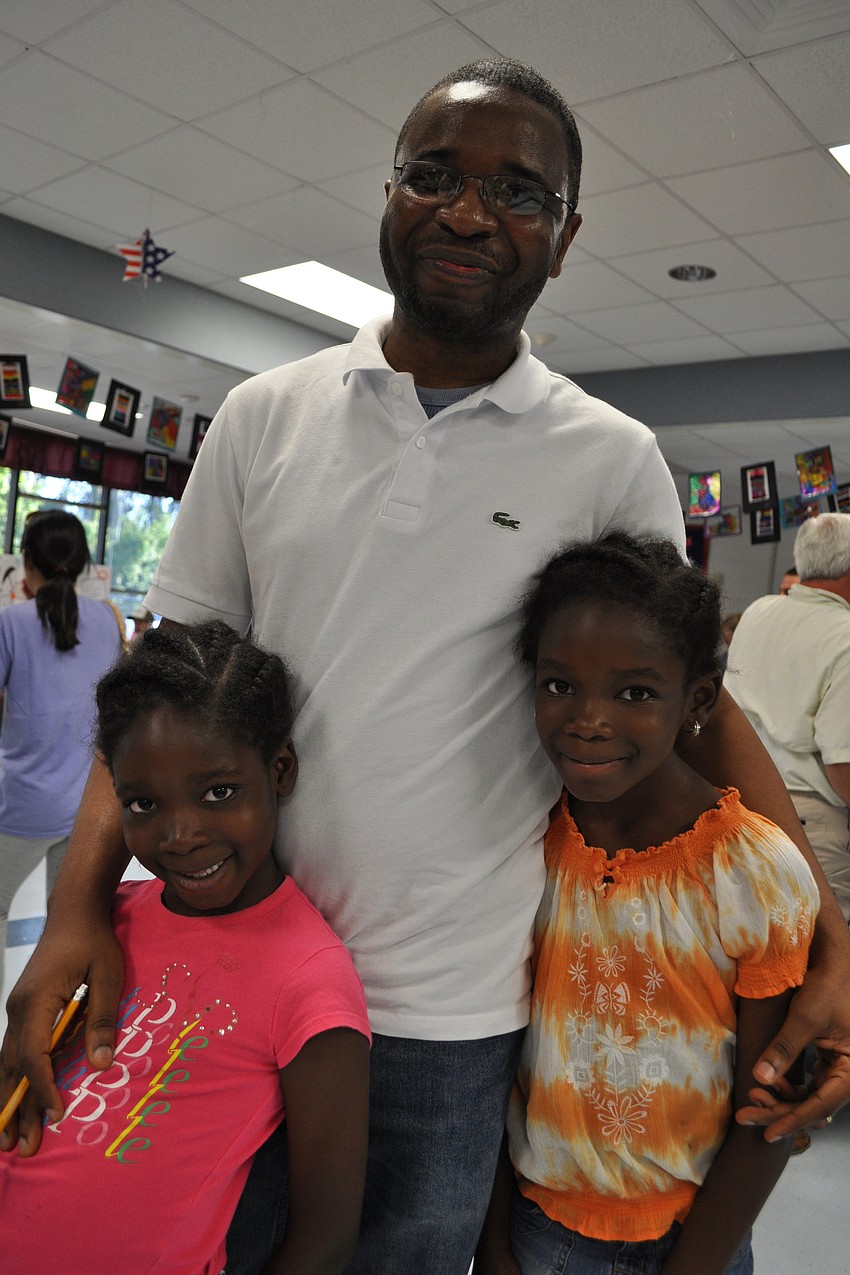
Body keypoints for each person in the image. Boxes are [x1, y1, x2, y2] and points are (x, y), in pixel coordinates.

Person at [2, 57, 849, 1275]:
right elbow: (158, 694)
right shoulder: (263, 416)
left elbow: (693, 716)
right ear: (389, 193)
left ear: (566, 238)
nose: (467, 213)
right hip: (224, 964)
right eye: (434, 176)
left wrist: (831, 944)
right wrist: (79, 908)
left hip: (448, 1010)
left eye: (518, 192)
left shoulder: (609, 457)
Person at [476, 534, 819, 1275]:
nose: (588, 720)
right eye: (559, 685)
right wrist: (495, 1243)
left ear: (697, 700)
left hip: (695, 1241)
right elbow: (493, 1061)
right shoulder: (526, 843)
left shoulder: (751, 870)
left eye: (634, 693)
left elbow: (770, 1108)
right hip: (539, 1232)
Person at [0, 620, 371, 1275]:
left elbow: (327, 1237)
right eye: (144, 803)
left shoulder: (310, 979)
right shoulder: (112, 919)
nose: (180, 835)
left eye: (218, 792)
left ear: (280, 770)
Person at [0, 509, 124, 988]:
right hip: (87, 806)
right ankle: (54, 1022)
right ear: (84, 563)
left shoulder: (11, 623)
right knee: (67, 924)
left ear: (27, 562)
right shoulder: (108, 620)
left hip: (20, 806)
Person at [726, 514, 850, 923]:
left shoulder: (758, 612)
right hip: (809, 823)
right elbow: (843, 765)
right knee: (826, 952)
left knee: (755, 942)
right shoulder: (845, 635)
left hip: (741, 806)